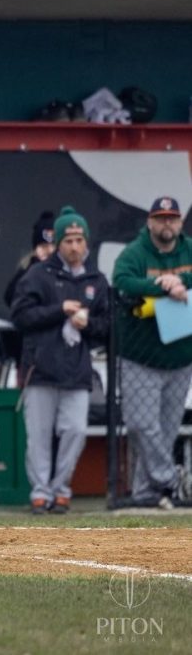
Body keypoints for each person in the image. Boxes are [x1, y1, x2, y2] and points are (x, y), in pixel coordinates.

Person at [10, 206, 109, 514]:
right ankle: (40, 493)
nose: (75, 246)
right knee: (38, 434)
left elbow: (107, 326)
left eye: (80, 240)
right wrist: (60, 310)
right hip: (41, 367)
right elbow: (21, 315)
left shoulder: (96, 279)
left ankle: (60, 489)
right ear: (58, 244)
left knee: (75, 430)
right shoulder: (39, 274)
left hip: (77, 368)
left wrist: (87, 324)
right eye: (69, 240)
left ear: (87, 243)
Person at [112, 196, 192, 509]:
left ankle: (145, 493)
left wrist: (180, 280)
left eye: (172, 218)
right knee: (140, 424)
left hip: (181, 356)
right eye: (160, 218)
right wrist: (161, 285)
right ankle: (172, 479)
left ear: (180, 222)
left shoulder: (188, 249)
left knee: (167, 429)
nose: (167, 223)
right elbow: (121, 281)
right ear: (150, 222)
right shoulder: (135, 252)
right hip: (140, 357)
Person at [0, 211, 56, 383]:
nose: (49, 251)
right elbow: (10, 296)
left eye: (53, 246)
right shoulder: (27, 270)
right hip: (30, 350)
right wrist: (35, 265)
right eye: (43, 247)